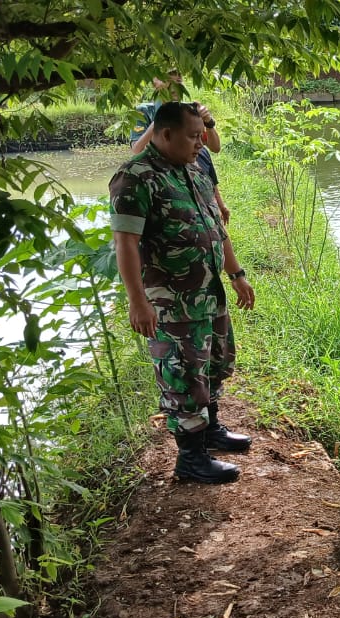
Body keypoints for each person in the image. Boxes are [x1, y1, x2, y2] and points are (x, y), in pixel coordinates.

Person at [110, 101, 256, 484]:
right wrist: (137, 300)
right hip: (171, 302)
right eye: (193, 136)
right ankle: (191, 458)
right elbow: (125, 242)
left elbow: (216, 228)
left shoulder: (194, 169)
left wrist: (237, 274)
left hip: (208, 292)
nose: (200, 143)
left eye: (202, 136)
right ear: (165, 133)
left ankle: (211, 431)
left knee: (215, 364)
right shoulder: (136, 178)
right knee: (183, 375)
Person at [130, 71, 230, 224]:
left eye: (179, 82)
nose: (175, 88)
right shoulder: (144, 111)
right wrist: (163, 115)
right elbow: (137, 150)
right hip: (162, 185)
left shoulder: (187, 112)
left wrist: (208, 122)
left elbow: (215, 147)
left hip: (191, 181)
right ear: (156, 84)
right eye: (169, 82)